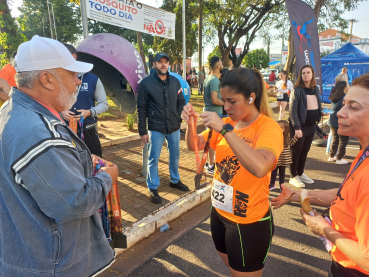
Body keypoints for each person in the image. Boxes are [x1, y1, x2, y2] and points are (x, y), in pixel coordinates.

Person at [0, 35, 118, 276]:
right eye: (73, 73)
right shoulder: (37, 134)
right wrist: (108, 177)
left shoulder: (14, 111)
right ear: (47, 79)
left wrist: (77, 161)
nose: (78, 81)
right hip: (53, 264)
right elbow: (75, 202)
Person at [182, 67, 283, 276]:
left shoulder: (267, 127)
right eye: (223, 100)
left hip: (249, 222)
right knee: (233, 270)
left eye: (232, 101)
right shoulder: (228, 123)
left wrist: (225, 130)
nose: (225, 106)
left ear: (250, 98)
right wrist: (191, 123)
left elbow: (260, 166)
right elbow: (195, 145)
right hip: (219, 213)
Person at [272, 73, 369, 277]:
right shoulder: (363, 154)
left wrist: (324, 229)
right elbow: (346, 194)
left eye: (353, 107)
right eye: (343, 104)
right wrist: (299, 195)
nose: (340, 113)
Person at [137, 52, 188, 204]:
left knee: (175, 155)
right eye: (160, 62)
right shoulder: (146, 84)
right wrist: (142, 131)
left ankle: (174, 180)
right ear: (154, 64)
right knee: (153, 159)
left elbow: (181, 101)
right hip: (156, 128)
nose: (163, 64)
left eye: (166, 61)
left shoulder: (175, 82)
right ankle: (153, 187)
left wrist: (179, 117)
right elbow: (141, 108)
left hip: (174, 127)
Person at [61, 44, 109, 157]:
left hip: (88, 130)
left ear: (74, 57)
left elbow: (104, 104)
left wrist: (90, 112)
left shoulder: (93, 79)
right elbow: (48, 103)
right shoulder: (57, 79)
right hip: (65, 131)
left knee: (95, 165)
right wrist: (61, 112)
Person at [289, 65, 324, 187]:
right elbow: (293, 111)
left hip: (311, 126)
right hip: (300, 126)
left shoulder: (315, 89)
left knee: (305, 151)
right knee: (296, 152)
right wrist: (297, 128)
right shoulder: (297, 90)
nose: (305, 75)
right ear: (301, 75)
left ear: (312, 74)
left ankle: (301, 173)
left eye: (308, 72)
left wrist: (320, 112)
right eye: (303, 73)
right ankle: (293, 176)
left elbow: (314, 104)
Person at [203, 56, 224, 175]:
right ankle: (211, 165)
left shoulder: (208, 78)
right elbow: (215, 99)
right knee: (212, 139)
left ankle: (209, 163)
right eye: (221, 64)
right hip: (214, 112)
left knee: (210, 139)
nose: (222, 66)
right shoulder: (215, 80)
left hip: (209, 111)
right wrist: (225, 103)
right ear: (217, 66)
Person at [328, 81, 349, 165]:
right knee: (343, 140)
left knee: (335, 139)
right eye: (347, 85)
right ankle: (339, 158)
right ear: (344, 87)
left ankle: (332, 156)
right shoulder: (345, 97)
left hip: (332, 120)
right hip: (340, 121)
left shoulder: (334, 96)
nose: (349, 85)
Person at [269, 120, 294, 192]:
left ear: (285, 129)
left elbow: (290, 143)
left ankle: (281, 185)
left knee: (282, 173)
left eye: (281, 127)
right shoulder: (274, 136)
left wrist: (296, 137)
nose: (279, 129)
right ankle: (272, 184)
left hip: (284, 158)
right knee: (273, 172)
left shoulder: (286, 137)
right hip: (276, 158)